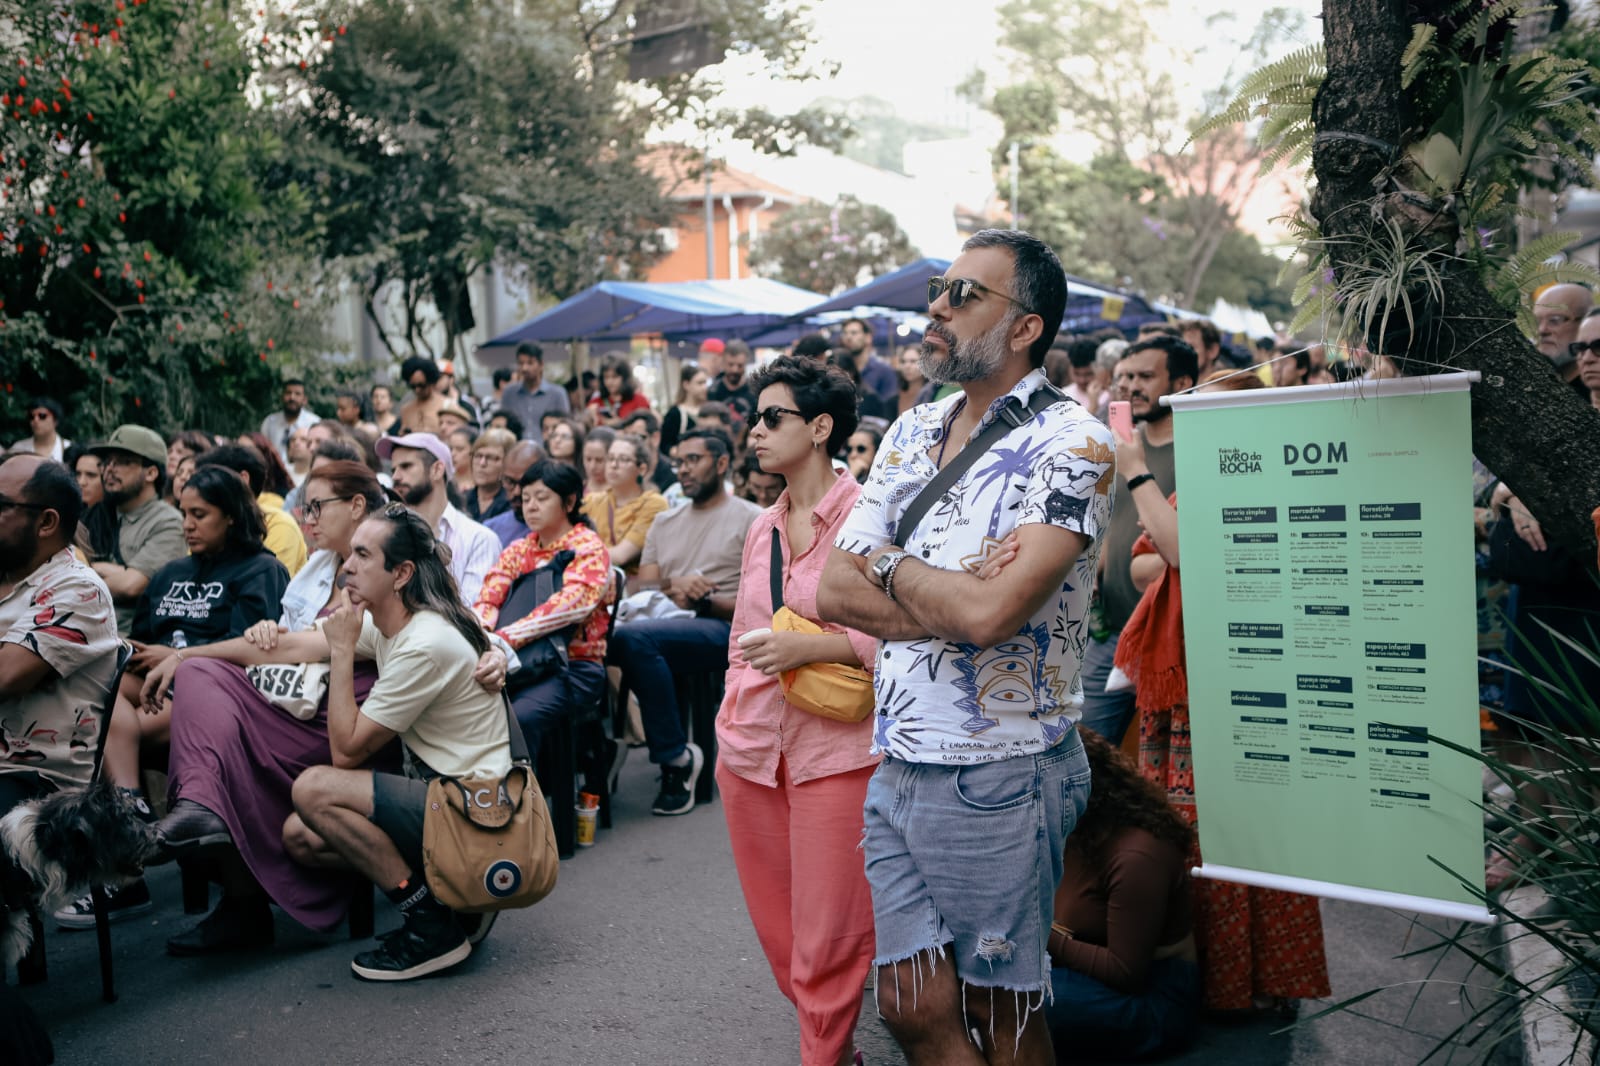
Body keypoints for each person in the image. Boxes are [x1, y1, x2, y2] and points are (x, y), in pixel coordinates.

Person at [817, 229, 1112, 1066]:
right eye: (940, 289)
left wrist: (893, 569)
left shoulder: (1073, 444)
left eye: (963, 295)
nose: (936, 309)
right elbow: (834, 590)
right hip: (901, 753)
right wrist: (932, 584)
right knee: (909, 1004)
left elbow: (991, 618)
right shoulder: (913, 430)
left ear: (1025, 328)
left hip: (1003, 769)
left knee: (1002, 1007)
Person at [1111, 381, 1331, 1013]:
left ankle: (1242, 984)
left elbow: (1180, 551)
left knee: (1240, 835)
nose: (1195, 432)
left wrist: (1135, 476)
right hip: (1183, 691)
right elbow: (1145, 563)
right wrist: (1177, 552)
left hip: (1237, 693)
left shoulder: (1267, 485)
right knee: (1182, 835)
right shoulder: (1201, 487)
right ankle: (1203, 978)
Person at [139, 462, 395, 952]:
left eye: (317, 506)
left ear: (358, 507)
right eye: (305, 507)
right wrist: (267, 629)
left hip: (348, 714)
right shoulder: (321, 566)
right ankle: (218, 848)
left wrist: (186, 652)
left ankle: (237, 891)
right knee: (203, 693)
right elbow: (284, 638)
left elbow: (300, 648)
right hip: (297, 698)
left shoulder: (384, 568)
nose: (306, 517)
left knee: (199, 679)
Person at [717, 355, 880, 1066]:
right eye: (756, 418)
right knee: (780, 932)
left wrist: (806, 653)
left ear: (820, 428)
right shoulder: (762, 527)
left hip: (837, 747)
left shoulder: (870, 518)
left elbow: (892, 641)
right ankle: (835, 1049)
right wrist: (733, 710)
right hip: (750, 747)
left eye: (772, 418)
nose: (755, 431)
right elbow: (737, 642)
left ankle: (824, 1054)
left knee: (830, 935)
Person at [281, 504, 513, 981]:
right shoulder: (397, 623)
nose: (346, 566)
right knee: (300, 836)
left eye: (363, 555)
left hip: (477, 813)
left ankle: (432, 927)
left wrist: (343, 650)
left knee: (313, 790)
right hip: (447, 801)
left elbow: (344, 752)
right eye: (351, 555)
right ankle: (451, 898)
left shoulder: (424, 640)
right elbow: (294, 645)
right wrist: (186, 656)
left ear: (401, 572)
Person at [66, 465, 289, 927]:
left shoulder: (261, 569)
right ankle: (129, 825)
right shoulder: (169, 574)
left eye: (200, 514)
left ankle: (127, 855)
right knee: (91, 697)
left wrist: (179, 658)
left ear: (230, 516)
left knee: (101, 727)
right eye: (183, 512)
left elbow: (252, 652)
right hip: (151, 687)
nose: (187, 524)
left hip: (218, 692)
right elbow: (144, 641)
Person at [608, 429, 760, 815]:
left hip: (722, 626)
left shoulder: (752, 519)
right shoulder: (665, 521)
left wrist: (705, 601)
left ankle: (675, 757)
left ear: (721, 463)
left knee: (633, 639)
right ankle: (617, 750)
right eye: (679, 462)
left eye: (694, 460)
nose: (684, 470)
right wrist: (674, 584)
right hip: (665, 621)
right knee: (623, 637)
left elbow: (761, 601)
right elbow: (641, 585)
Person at [1044, 730, 1199, 1059]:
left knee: (1020, 999)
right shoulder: (1072, 830)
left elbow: (1125, 973)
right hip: (1076, 966)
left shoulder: (1138, 856)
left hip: (1151, 998)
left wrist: (1037, 935)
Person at [1080, 334, 1197, 746]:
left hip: (1169, 640)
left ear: (1182, 384)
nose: (1130, 386)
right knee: (1090, 753)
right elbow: (1111, 518)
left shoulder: (1198, 449)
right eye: (1124, 376)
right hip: (1110, 632)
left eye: (1145, 376)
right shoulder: (1119, 445)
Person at [0, 454, 120, 799]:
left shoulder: (78, 590)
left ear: (46, 522)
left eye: (1, 504)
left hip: (36, 785)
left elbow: (6, 676)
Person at [474, 459, 610, 764]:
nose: (531, 506)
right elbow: (488, 598)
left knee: (518, 717)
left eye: (542, 497)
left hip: (573, 666)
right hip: (517, 662)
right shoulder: (519, 549)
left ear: (570, 501)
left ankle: (523, 803)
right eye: (525, 498)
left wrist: (503, 640)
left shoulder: (587, 547)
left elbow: (570, 605)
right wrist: (483, 637)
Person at [375, 432, 501, 607]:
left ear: (437, 470)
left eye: (406, 466)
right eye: (393, 469)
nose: (395, 476)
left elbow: (472, 616)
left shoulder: (479, 539)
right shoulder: (386, 535)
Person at [86, 425, 186, 636]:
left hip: (126, 640)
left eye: (123, 462)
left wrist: (82, 571)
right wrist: (110, 571)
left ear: (151, 473)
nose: (110, 469)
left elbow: (131, 585)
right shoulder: (95, 515)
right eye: (107, 461)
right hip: (78, 628)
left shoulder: (167, 522)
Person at [198, 443, 308, 578]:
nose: (201, 490)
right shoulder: (206, 524)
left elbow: (266, 585)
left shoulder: (278, 526)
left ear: (242, 479)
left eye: (210, 481)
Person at [582, 434, 669, 573]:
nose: (613, 465)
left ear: (642, 469)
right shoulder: (591, 501)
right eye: (610, 458)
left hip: (634, 588)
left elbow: (621, 556)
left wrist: (577, 555)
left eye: (623, 460)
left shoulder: (654, 503)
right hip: (593, 578)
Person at [498, 342, 572, 445]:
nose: (524, 368)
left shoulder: (557, 394)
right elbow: (502, 424)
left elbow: (566, 426)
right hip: (516, 451)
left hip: (546, 453)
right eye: (521, 363)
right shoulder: (509, 393)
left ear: (541, 364)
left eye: (530, 363)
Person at [485, 441, 542, 548]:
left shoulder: (565, 532)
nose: (517, 492)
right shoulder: (489, 531)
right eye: (510, 482)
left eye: (524, 483)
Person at [838, 316, 899, 408]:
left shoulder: (884, 371)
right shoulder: (838, 370)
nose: (848, 337)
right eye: (845, 333)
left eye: (854, 333)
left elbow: (889, 407)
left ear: (868, 338)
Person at [259, 379, 321, 466]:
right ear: (282, 397)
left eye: (297, 394)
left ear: (304, 400)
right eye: (288, 393)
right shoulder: (270, 422)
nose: (292, 397)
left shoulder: (314, 423)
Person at [464, 427, 515, 523]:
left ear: (508, 462)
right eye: (478, 456)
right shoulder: (461, 500)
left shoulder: (513, 504)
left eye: (491, 458)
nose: (482, 463)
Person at [589, 355, 652, 427]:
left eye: (614, 377)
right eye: (606, 377)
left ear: (625, 378)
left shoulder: (639, 400)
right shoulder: (596, 403)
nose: (610, 382)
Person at [662, 362, 708, 454]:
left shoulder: (709, 411)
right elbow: (665, 445)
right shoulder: (675, 414)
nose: (704, 387)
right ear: (686, 385)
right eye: (700, 383)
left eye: (705, 383)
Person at [707, 340, 756, 423]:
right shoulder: (713, 390)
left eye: (740, 365)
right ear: (723, 362)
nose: (735, 370)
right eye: (730, 364)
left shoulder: (754, 390)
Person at [398, 356, 447, 434]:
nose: (417, 390)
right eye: (413, 386)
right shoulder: (406, 410)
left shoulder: (447, 405)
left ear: (431, 382)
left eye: (421, 385)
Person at [581, 426, 616, 491]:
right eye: (588, 459)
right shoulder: (577, 489)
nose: (592, 467)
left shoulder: (622, 493)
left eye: (599, 460)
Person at [446, 427, 476, 496]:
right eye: (450, 449)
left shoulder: (482, 484)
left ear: (474, 451)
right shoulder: (444, 481)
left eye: (459, 449)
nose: (453, 454)